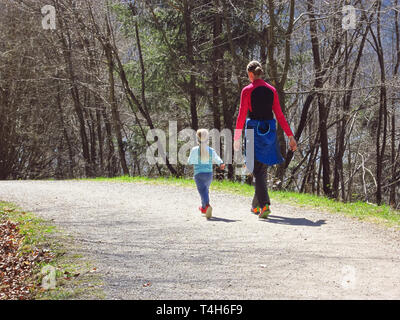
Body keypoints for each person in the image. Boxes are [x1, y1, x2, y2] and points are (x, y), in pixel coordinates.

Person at [233, 60, 297, 219]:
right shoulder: (272, 90)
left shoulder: (247, 90)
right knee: (261, 169)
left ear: (250, 74)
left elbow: (241, 115)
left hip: (252, 130)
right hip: (269, 131)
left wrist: (236, 137)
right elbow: (280, 115)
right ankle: (255, 205)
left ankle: (264, 205)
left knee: (257, 168)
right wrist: (290, 136)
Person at [188, 129, 225, 219]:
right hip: (209, 174)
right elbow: (216, 158)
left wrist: (195, 160)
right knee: (205, 190)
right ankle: (203, 207)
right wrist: (221, 163)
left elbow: (190, 161)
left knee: (202, 191)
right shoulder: (210, 150)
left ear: (197, 139)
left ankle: (207, 205)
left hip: (199, 174)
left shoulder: (195, 150)